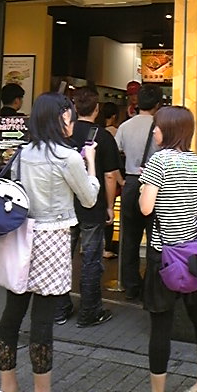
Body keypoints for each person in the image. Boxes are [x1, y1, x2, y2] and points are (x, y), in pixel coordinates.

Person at [0, 92, 100, 392]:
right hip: (52, 240)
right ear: (59, 119)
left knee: (12, 314)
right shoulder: (68, 157)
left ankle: (8, 386)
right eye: (69, 118)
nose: (72, 123)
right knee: (42, 322)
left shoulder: (22, 152)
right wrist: (90, 163)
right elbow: (89, 198)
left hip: (21, 236)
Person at [139, 106, 197, 392]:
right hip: (195, 255)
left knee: (161, 325)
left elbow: (146, 208)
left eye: (157, 127)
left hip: (165, 257)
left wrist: (144, 187)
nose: (154, 132)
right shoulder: (196, 161)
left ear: (169, 130)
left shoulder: (159, 161)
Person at [54, 86, 122, 327]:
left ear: (74, 108)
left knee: (61, 257)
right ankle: (89, 312)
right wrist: (110, 206)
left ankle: (59, 310)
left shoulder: (63, 133)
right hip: (92, 206)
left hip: (64, 205)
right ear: (97, 109)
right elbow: (110, 176)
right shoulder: (103, 136)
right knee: (92, 260)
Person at [114, 83, 162, 300]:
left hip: (131, 183)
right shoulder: (161, 127)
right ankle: (152, 285)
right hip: (155, 185)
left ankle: (131, 285)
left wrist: (121, 180)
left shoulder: (125, 126)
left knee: (130, 238)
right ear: (158, 104)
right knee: (155, 237)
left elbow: (115, 155)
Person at [98, 101, 124, 258]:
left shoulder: (95, 132)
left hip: (93, 179)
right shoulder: (113, 133)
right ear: (114, 116)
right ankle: (106, 247)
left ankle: (87, 245)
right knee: (109, 214)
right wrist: (121, 181)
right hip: (109, 180)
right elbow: (113, 166)